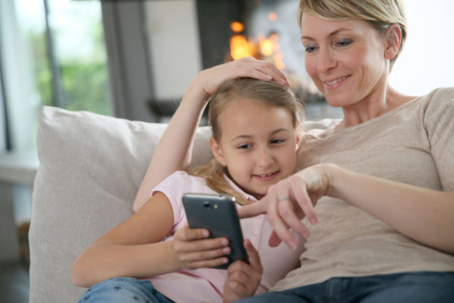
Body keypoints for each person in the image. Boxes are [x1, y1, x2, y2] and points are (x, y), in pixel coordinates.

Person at [133, 0, 454, 302]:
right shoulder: (294, 146)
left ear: (391, 41)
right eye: (311, 47)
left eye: (341, 42)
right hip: (300, 291)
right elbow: (151, 201)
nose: (323, 64)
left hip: (409, 279)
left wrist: (333, 179)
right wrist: (199, 89)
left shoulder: (434, 111)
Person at [72, 78, 307, 303]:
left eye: (277, 141)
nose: (265, 160)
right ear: (219, 151)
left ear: (297, 139)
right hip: (140, 295)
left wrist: (236, 298)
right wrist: (173, 254)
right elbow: (85, 267)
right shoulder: (188, 188)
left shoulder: (306, 213)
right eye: (245, 146)